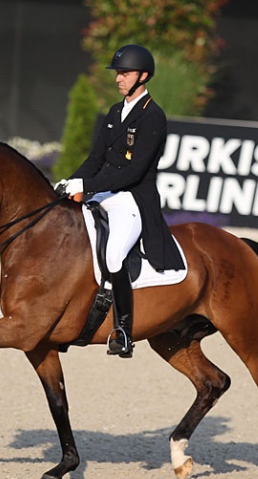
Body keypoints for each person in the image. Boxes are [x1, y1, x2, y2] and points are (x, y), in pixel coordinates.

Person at [56, 44, 185, 358]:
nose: (118, 79)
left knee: (114, 256)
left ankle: (123, 331)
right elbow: (95, 159)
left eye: (124, 73)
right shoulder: (115, 112)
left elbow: (133, 172)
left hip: (132, 199)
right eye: (118, 73)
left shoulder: (153, 116)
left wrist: (86, 184)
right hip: (103, 193)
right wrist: (69, 181)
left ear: (142, 76)